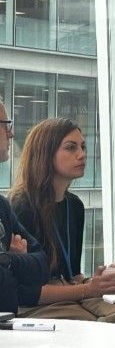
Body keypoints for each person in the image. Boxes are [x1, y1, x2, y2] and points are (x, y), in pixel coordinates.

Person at [8, 117, 115, 334]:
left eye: (82, 147)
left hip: (71, 292)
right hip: (37, 304)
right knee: (91, 326)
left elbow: (71, 273)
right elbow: (26, 290)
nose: (82, 155)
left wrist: (97, 281)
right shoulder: (22, 205)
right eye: (70, 148)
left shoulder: (74, 205)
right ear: (45, 153)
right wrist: (87, 289)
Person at [0, 100, 49, 314]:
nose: (11, 134)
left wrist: (7, 260)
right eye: (5, 125)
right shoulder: (21, 202)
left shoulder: (1, 205)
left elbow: (42, 266)